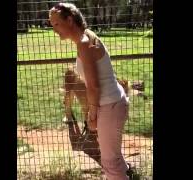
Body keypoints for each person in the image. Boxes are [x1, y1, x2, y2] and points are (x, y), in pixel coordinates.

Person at [49, 3, 130, 180]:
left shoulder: (84, 43)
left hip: (109, 106)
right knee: (113, 158)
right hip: (114, 102)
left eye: (56, 24)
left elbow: (93, 86)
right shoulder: (86, 37)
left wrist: (92, 116)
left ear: (69, 20)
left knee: (110, 162)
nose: (53, 29)